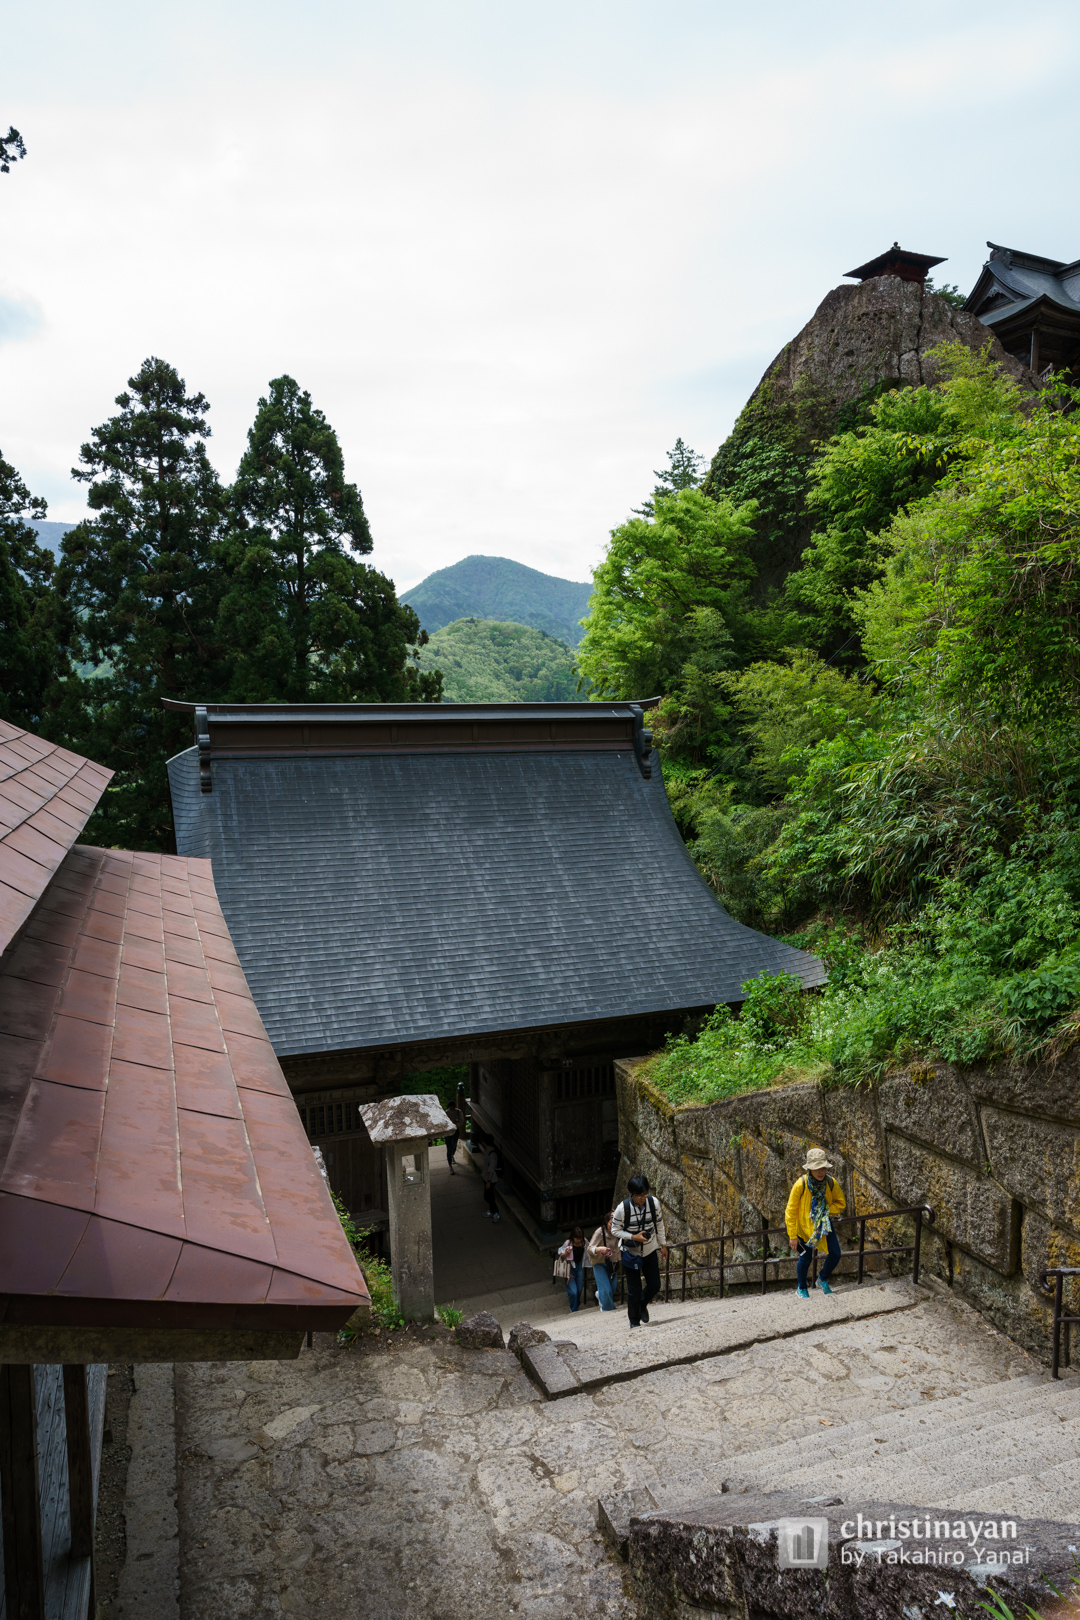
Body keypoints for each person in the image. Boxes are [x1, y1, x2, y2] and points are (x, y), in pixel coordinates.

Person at [785, 1147, 846, 1298]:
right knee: (805, 1258)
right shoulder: (801, 1184)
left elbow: (841, 1203)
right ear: (810, 1169)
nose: (820, 1172)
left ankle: (822, 1278)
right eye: (816, 1168)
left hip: (823, 1224)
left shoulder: (830, 1183)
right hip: (804, 1229)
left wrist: (824, 1209)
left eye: (823, 1168)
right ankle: (801, 1288)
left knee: (836, 1254)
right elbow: (790, 1211)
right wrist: (792, 1235)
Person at [611, 1174, 667, 1328]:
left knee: (655, 1285)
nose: (642, 1198)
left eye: (645, 1194)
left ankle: (642, 1304)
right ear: (632, 1194)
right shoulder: (623, 1209)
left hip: (650, 1250)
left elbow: (659, 1224)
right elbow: (615, 1230)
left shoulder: (653, 1203)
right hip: (630, 1253)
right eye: (639, 1195)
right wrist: (633, 1236)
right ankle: (634, 1321)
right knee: (633, 1290)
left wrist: (663, 1244)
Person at [587, 1212, 618, 1312]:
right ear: (606, 1223)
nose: (613, 1226)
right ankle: (608, 1310)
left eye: (615, 1223)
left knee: (612, 1288)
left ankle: (600, 1295)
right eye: (611, 1223)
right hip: (599, 1263)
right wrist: (600, 1249)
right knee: (606, 1289)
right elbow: (589, 1249)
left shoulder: (618, 1232)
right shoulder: (599, 1232)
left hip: (613, 1262)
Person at [558, 1225, 588, 1311]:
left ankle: (576, 1305)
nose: (579, 1241)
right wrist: (566, 1254)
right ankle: (574, 1309)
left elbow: (589, 1250)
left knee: (579, 1289)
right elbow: (561, 1254)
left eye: (580, 1239)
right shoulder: (568, 1243)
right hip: (569, 1268)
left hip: (578, 1266)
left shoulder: (584, 1242)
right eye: (577, 1239)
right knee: (573, 1291)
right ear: (573, 1237)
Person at [481, 1137, 501, 1221]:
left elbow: (491, 1169)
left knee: (490, 1196)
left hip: (490, 1179)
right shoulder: (488, 1151)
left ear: (485, 1142)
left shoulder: (492, 1155)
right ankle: (492, 1210)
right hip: (486, 1177)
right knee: (487, 1196)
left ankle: (496, 1212)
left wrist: (489, 1181)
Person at [444, 1100, 466, 1173]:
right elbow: (443, 1123)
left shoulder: (458, 1112)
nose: (452, 1108)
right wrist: (451, 1123)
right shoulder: (446, 1113)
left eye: (453, 1107)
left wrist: (456, 1124)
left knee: (454, 1145)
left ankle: (452, 1155)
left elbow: (462, 1120)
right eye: (451, 1107)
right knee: (449, 1148)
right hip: (448, 1132)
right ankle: (450, 1166)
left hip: (456, 1131)